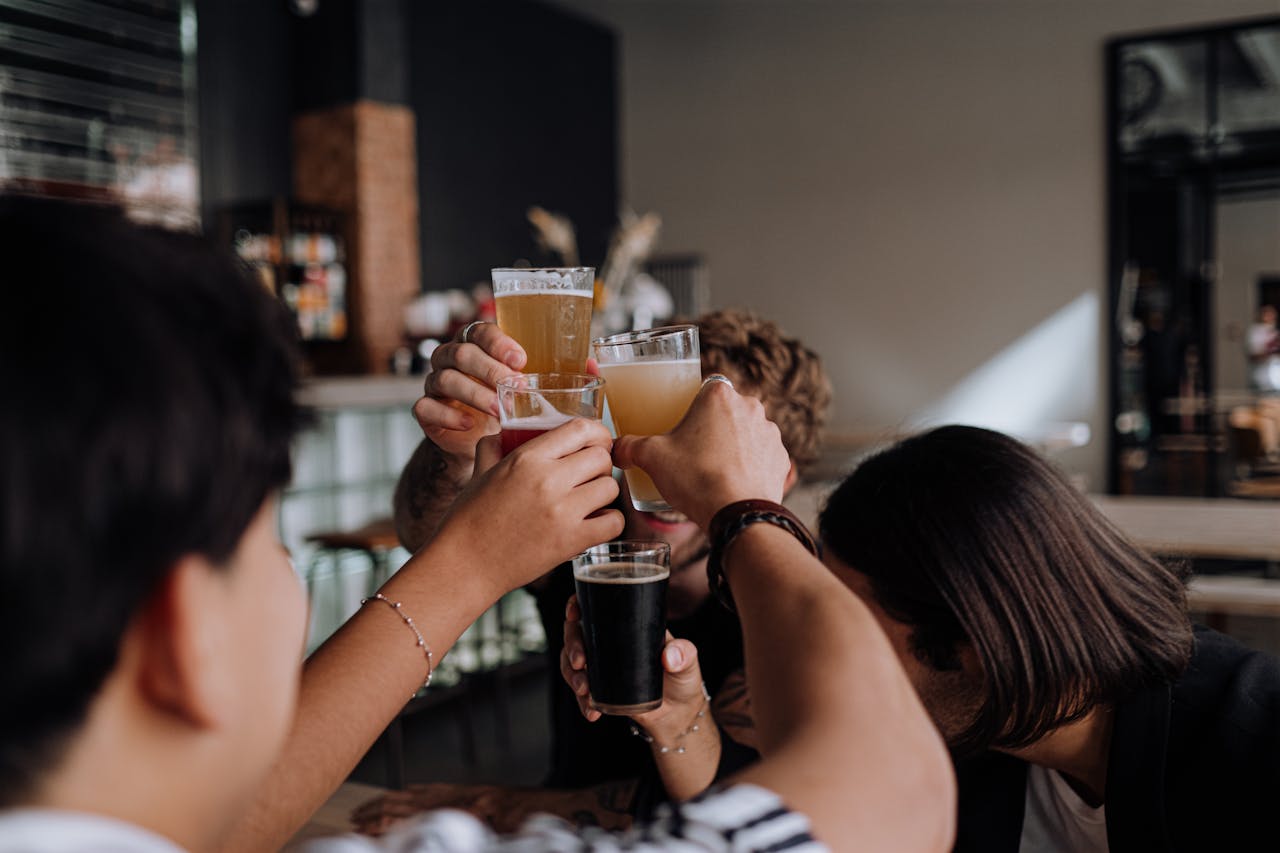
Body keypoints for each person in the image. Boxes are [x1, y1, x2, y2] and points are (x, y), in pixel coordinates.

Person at [0, 196, 955, 853]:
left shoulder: (805, 611)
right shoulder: (595, 537)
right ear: (185, 634)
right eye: (272, 544)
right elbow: (893, 792)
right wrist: (461, 472)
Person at [600, 424, 1280, 851]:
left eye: (852, 620)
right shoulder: (978, 739)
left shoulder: (1253, 754)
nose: (836, 653)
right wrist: (677, 716)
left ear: (966, 642)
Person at [384, 310, 830, 826]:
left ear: (779, 473)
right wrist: (461, 457)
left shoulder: (796, 595)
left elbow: (752, 799)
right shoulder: (592, 528)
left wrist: (512, 806)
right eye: (656, 427)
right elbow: (421, 533)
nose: (665, 466)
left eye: (702, 445)